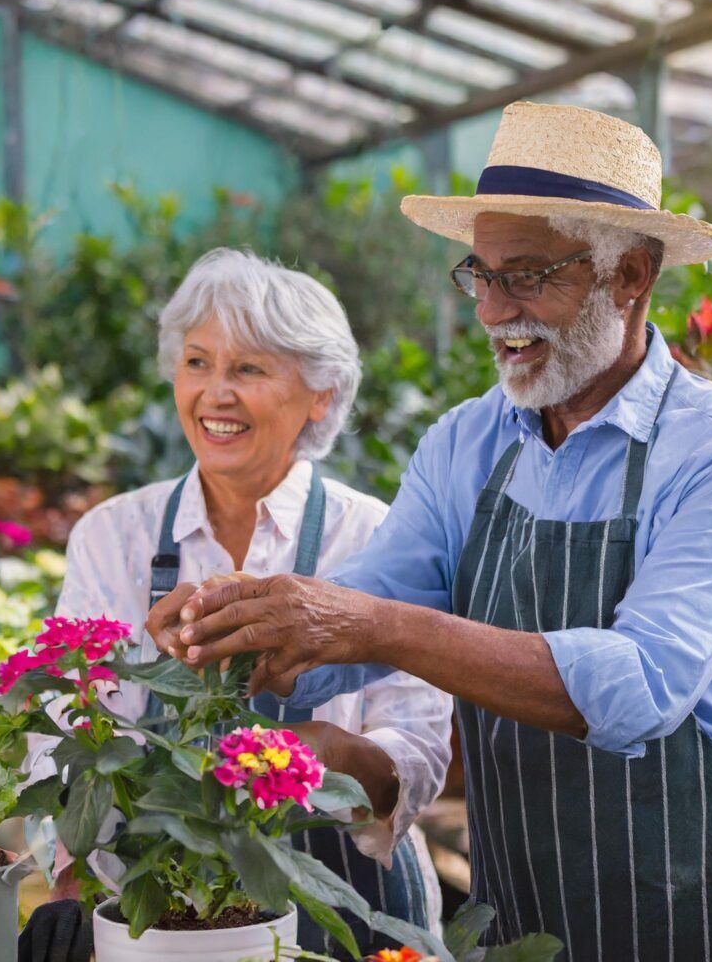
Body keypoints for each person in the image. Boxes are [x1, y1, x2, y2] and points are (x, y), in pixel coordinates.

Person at [152, 103, 712, 960]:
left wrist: (370, 625)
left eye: (529, 275)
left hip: (697, 906)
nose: (495, 310)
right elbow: (358, 613)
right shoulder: (468, 443)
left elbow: (640, 687)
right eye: (482, 275)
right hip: (520, 904)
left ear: (630, 275)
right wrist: (243, 624)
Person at [29, 248, 452, 953]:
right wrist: (69, 881)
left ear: (320, 396)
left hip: (343, 907)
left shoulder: (376, 537)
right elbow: (63, 728)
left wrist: (325, 755)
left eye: (249, 369)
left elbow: (417, 755)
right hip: (156, 914)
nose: (215, 393)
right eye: (198, 363)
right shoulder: (115, 535)